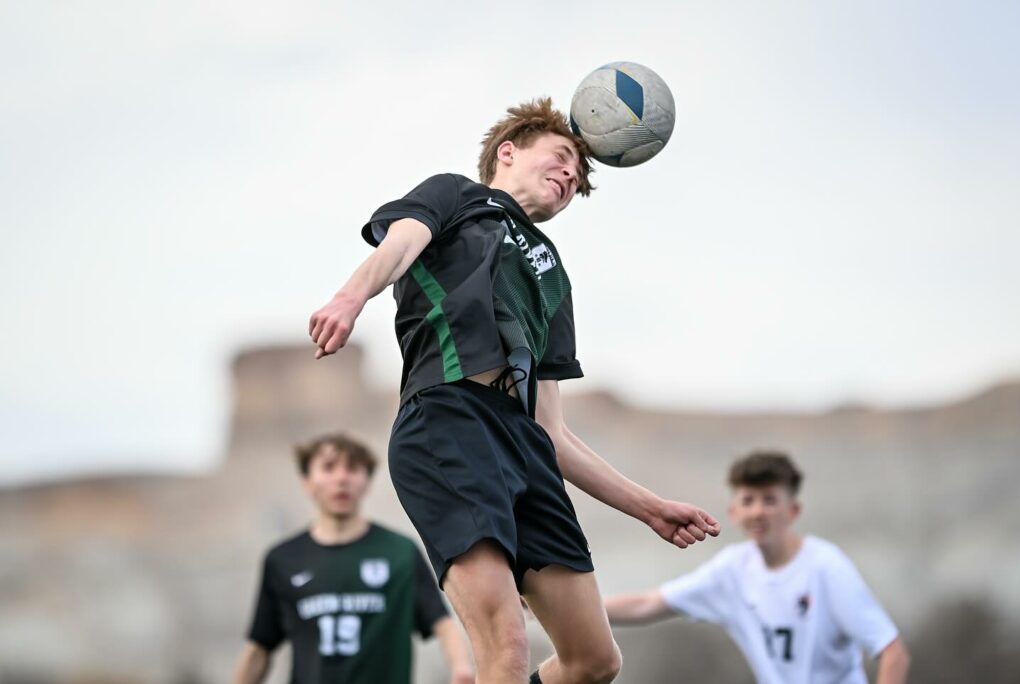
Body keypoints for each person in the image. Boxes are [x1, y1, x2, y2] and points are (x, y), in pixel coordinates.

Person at [307, 97, 721, 684]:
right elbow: (398, 244)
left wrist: (649, 508)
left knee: (594, 660)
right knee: (504, 645)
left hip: (523, 446)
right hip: (449, 422)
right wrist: (351, 298)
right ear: (508, 152)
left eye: (576, 179)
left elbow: (552, 431)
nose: (568, 177)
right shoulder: (457, 197)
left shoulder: (552, 269)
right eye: (560, 158)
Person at [604, 451, 911, 684]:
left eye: (769, 500)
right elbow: (648, 604)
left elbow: (892, 651)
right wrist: (570, 612)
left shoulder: (825, 566)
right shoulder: (732, 570)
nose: (758, 511)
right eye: (748, 500)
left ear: (793, 510)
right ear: (733, 512)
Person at [232, 433, 474, 684]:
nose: (341, 478)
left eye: (353, 468)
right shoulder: (282, 559)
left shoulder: (400, 551)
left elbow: (442, 623)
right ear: (306, 481)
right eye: (328, 468)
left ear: (367, 481)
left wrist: (461, 668)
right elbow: (259, 648)